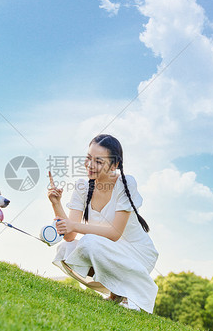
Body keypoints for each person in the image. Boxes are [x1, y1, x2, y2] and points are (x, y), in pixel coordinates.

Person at [48, 134, 159, 313]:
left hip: (137, 253)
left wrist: (74, 226)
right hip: (106, 250)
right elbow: (69, 236)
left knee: (89, 242)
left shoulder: (126, 183)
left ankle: (137, 295)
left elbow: (114, 233)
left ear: (114, 165)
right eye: (88, 158)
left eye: (98, 162)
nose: (90, 165)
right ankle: (117, 292)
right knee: (65, 251)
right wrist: (56, 203)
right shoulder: (82, 186)